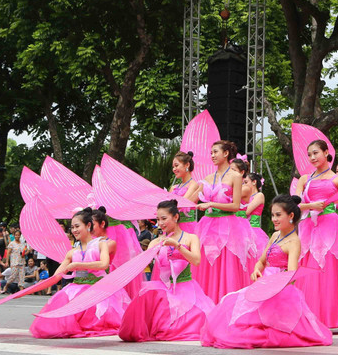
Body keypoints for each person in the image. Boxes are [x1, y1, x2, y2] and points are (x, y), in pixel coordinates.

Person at [202, 194, 333, 348]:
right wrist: (256, 271)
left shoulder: (294, 242)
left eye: (278, 215)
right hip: (263, 285)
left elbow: (291, 273)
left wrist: (273, 285)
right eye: (272, 215)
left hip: (280, 290)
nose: (274, 219)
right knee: (231, 305)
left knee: (267, 327)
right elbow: (262, 261)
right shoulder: (275, 235)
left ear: (291, 216)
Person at [119, 200, 215, 342]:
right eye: (158, 219)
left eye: (164, 218)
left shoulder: (191, 238)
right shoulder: (156, 241)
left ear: (176, 217)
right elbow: (142, 263)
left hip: (186, 287)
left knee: (198, 321)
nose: (160, 223)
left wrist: (177, 246)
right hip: (164, 288)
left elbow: (196, 260)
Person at [31, 209, 130, 338]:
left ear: (88, 226)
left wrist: (78, 265)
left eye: (77, 226)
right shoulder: (72, 252)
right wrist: (25, 291)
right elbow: (56, 277)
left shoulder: (102, 244)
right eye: (72, 227)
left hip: (98, 288)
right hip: (76, 288)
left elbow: (103, 264)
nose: (74, 230)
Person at [294, 139, 338, 328]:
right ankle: (308, 314)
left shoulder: (337, 179)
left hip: (330, 226)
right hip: (308, 227)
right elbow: (294, 204)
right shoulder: (304, 179)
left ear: (326, 152)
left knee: (329, 269)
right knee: (308, 268)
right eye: (310, 154)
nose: (313, 157)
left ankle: (331, 316)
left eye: (316, 153)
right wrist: (310, 206)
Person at [194, 140, 250, 302]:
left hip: (228, 225)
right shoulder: (208, 177)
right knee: (206, 266)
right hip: (207, 225)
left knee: (226, 265)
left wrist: (211, 204)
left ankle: (226, 304)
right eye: (211, 152)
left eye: (215, 152)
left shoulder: (235, 176)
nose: (212, 155)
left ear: (226, 154)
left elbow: (235, 205)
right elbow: (193, 199)